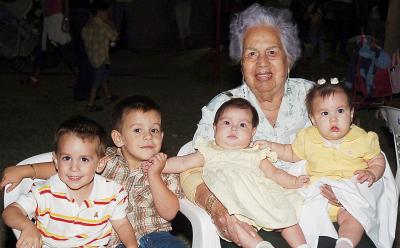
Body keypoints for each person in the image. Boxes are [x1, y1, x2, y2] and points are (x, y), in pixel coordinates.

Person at [178, 3, 376, 247]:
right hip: (247, 213)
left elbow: (357, 147)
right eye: (251, 54)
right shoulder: (224, 106)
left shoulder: (314, 97)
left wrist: (347, 189)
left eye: (272, 52)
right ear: (241, 63)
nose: (261, 63)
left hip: (319, 206)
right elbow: (188, 169)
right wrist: (218, 209)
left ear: (288, 59)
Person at [1, 95, 186, 248]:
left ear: (162, 136)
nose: (148, 136)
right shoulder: (107, 159)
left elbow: (169, 214)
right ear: (118, 138)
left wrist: (154, 175)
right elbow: (65, 170)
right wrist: (28, 170)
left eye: (154, 130)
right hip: (116, 240)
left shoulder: (166, 168)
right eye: (138, 130)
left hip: (157, 235)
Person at [161, 98, 310, 248]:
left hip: (262, 196)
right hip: (233, 201)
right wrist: (160, 165)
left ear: (253, 132)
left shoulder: (255, 152)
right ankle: (259, 245)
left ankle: (302, 246)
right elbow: (183, 163)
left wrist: (293, 181)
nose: (234, 128)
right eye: (227, 123)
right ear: (214, 128)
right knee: (238, 226)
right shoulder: (209, 150)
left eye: (242, 125)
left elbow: (274, 173)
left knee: (287, 218)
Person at [255, 79, 387, 248]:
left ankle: (346, 242)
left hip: (348, 197)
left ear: (351, 113)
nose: (333, 119)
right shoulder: (308, 137)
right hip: (315, 195)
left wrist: (372, 172)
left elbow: (377, 159)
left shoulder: (362, 138)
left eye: (340, 111)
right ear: (313, 119)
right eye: (325, 114)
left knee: (355, 219)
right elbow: (291, 153)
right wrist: (272, 146)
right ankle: (302, 244)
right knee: (292, 215)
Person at [2, 116, 137, 248]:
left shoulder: (112, 192)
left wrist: (132, 246)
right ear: (56, 161)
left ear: (100, 164)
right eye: (67, 158)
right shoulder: (44, 191)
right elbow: (10, 212)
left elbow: (121, 224)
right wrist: (28, 226)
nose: (74, 168)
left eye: (84, 159)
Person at [81, 0, 118, 112]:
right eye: (106, 12)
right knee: (97, 80)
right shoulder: (102, 26)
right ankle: (90, 104)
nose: (107, 15)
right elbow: (115, 36)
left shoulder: (87, 26)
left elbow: (83, 38)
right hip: (102, 57)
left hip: (92, 57)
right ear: (101, 12)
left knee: (102, 77)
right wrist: (110, 23)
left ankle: (108, 96)